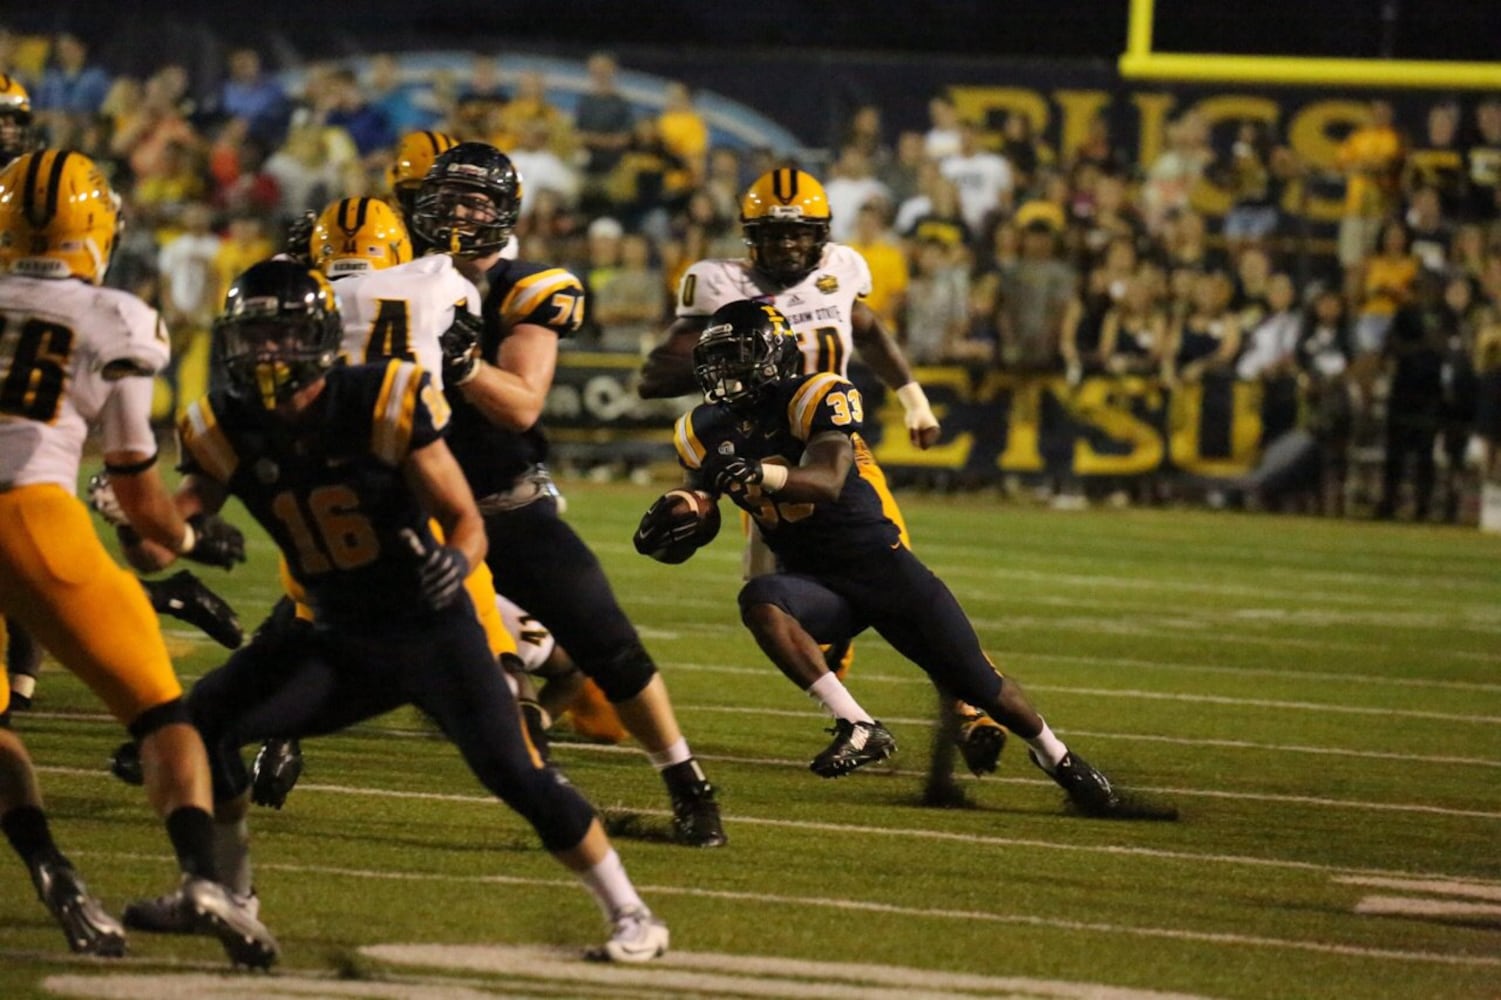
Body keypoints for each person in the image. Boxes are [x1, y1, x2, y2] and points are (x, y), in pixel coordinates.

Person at [115, 258, 671, 964]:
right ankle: (233, 896)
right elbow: (160, 548)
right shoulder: (226, 425)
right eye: (253, 337)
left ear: (316, 338)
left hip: (425, 629)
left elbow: (464, 520)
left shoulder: (380, 399)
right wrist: (134, 509)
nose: (266, 352)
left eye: (281, 335)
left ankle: (632, 914)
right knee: (198, 728)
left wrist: (457, 563)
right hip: (329, 632)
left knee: (516, 774)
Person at [634, 301, 1135, 819]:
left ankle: (1059, 758)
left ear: (771, 355)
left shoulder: (815, 394)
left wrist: (760, 474)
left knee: (981, 684)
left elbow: (827, 480)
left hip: (880, 567)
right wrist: (684, 514)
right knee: (760, 601)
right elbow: (708, 498)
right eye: (715, 362)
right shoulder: (699, 429)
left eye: (734, 359)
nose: (723, 375)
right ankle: (858, 725)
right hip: (816, 582)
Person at [635, 167, 1005, 779]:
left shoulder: (841, 272)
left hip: (834, 457)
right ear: (750, 236)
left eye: (798, 235)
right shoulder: (718, 284)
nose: (786, 247)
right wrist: (735, 350)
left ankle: (972, 709)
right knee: (788, 611)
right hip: (757, 469)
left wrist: (913, 398)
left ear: (820, 235)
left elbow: (868, 328)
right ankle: (854, 721)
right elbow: (654, 378)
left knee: (899, 583)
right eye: (774, 236)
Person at [0, 149, 276, 965]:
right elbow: (139, 493)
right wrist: (191, 540)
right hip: (31, 515)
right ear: (97, 229)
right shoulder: (113, 317)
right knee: (162, 713)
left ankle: (51, 870)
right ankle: (201, 878)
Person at [413, 142, 726, 846]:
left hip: (503, 503)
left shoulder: (526, 287)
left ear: (505, 213)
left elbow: (521, 404)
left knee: (610, 646)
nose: (462, 213)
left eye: (478, 201)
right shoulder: (394, 282)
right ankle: (275, 741)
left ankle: (685, 779)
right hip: (416, 512)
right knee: (324, 613)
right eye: (451, 198)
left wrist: (460, 361)